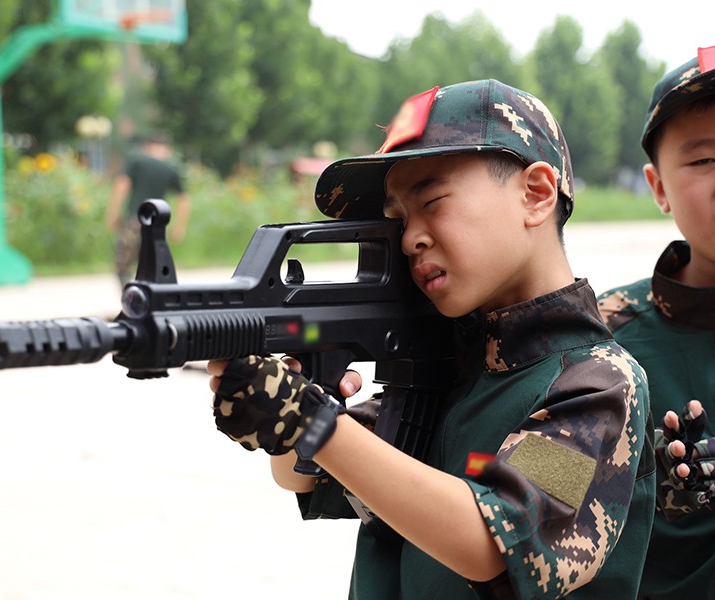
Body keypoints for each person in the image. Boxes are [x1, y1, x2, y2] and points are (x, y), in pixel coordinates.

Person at [207, 79, 655, 598]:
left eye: (433, 202)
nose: (409, 237)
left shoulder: (596, 384)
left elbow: (491, 542)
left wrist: (310, 421)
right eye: (397, 218)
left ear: (535, 194)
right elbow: (305, 477)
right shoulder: (454, 363)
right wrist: (281, 413)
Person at [596, 46, 715, 599]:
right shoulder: (598, 342)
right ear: (659, 186)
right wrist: (631, 481)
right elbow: (514, 484)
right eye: (704, 160)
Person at [106, 132, 190, 288]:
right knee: (156, 263)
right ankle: (157, 297)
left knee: (123, 263)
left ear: (147, 147)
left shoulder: (137, 161)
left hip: (135, 221)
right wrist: (179, 227)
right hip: (158, 225)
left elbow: (122, 184)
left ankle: (131, 299)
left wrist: (113, 212)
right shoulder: (172, 168)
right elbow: (183, 199)